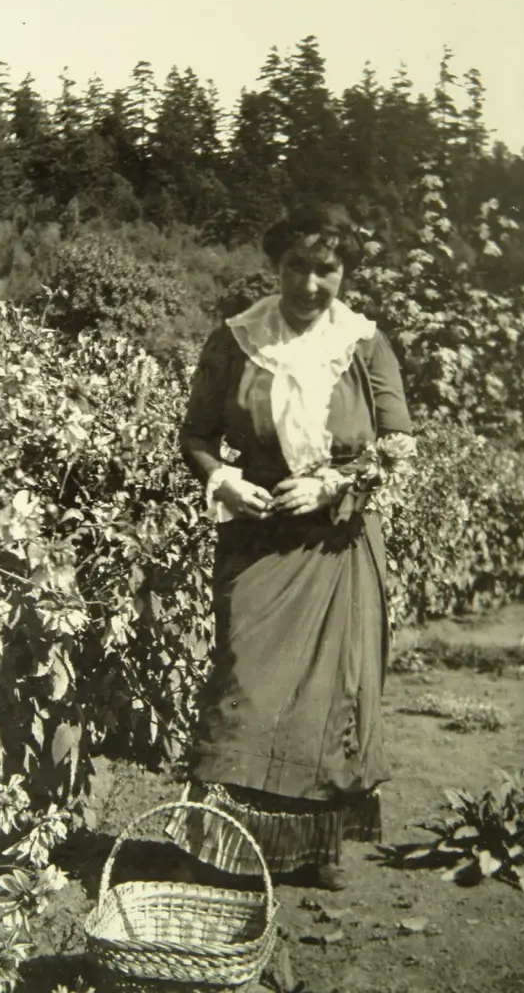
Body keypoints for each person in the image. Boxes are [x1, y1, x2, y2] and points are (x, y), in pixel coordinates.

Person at [166, 202, 413, 891]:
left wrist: (333, 483)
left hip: (336, 540)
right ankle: (222, 846)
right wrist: (222, 478)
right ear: (274, 266)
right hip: (256, 533)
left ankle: (314, 849)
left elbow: (396, 446)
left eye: (325, 270)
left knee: (326, 697)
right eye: (295, 267)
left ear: (345, 272)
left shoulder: (365, 345)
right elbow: (193, 436)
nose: (308, 285)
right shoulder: (235, 340)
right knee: (242, 682)